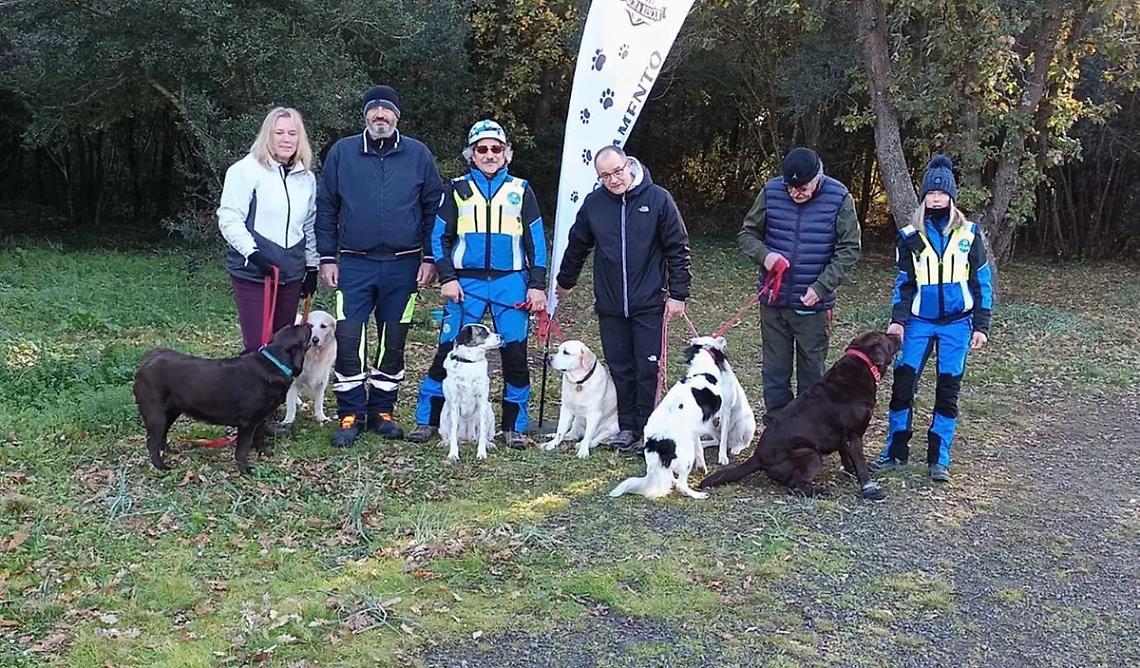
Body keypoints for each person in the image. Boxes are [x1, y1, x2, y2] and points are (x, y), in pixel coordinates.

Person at [316, 85, 445, 447]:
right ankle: (350, 413)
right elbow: (326, 207)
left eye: (387, 111)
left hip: (404, 265)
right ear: (365, 116)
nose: (380, 117)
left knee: (394, 339)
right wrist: (327, 256)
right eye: (374, 111)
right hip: (354, 264)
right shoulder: (343, 153)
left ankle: (383, 411)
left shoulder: (417, 154)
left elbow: (433, 208)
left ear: (397, 117)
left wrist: (432, 257)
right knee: (349, 339)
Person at [408, 120, 548, 449]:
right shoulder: (455, 189)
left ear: (506, 154)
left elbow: (537, 242)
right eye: (481, 149)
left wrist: (537, 284)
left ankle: (514, 426)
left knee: (514, 353)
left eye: (495, 148)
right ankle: (428, 419)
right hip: (465, 283)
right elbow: (439, 237)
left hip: (510, 282)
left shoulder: (521, 189)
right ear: (471, 154)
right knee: (447, 350)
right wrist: (448, 277)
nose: (489, 154)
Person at [556, 145, 692, 452]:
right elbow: (578, 244)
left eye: (617, 172)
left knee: (647, 367)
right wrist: (565, 281)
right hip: (610, 303)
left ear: (628, 165)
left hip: (649, 301)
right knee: (620, 367)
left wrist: (679, 294)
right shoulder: (594, 204)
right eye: (605, 176)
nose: (613, 180)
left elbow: (677, 248)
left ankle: (649, 426)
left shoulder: (658, 199)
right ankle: (627, 426)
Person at [872, 154, 994, 483]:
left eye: (942, 193)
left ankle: (938, 458)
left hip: (957, 324)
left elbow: (981, 281)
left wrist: (981, 324)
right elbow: (904, 284)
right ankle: (895, 452)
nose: (937, 198)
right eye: (931, 193)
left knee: (948, 391)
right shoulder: (911, 235)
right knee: (902, 386)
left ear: (951, 197)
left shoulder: (969, 234)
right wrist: (898, 320)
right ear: (924, 197)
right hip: (919, 324)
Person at [737, 147, 861, 422]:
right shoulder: (770, 192)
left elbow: (850, 248)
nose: (795, 193)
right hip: (774, 301)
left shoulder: (839, 197)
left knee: (812, 375)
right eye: (790, 187)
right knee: (775, 371)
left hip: (813, 307)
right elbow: (747, 234)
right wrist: (765, 256)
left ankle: (808, 433)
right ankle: (776, 430)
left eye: (802, 187)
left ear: (818, 178)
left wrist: (820, 287)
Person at [217, 106, 319, 356]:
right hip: (255, 272)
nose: (286, 139)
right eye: (279, 132)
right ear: (268, 136)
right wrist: (253, 254)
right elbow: (229, 217)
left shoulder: (306, 177)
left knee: (284, 347)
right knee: (258, 347)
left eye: (292, 133)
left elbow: (308, 224)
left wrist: (312, 267)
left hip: (291, 274)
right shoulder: (245, 170)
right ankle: (246, 395)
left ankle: (278, 396)